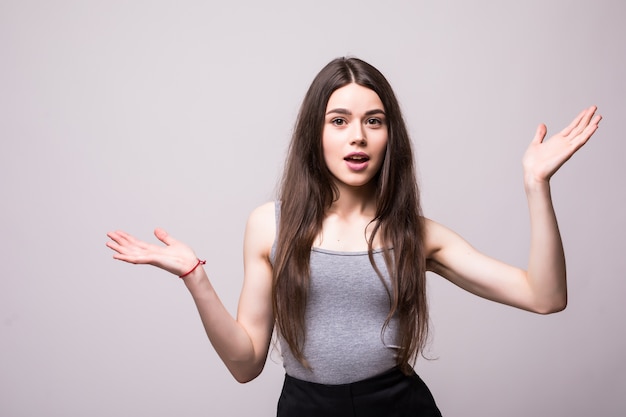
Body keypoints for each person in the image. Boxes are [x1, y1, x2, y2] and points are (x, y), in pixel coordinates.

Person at [106, 57, 602, 416]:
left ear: (390, 137)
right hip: (304, 409)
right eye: (339, 121)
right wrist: (196, 278)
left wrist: (536, 185)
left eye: (374, 121)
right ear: (315, 135)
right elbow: (245, 365)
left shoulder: (416, 234)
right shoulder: (269, 226)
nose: (357, 136)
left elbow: (545, 296)